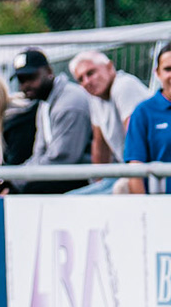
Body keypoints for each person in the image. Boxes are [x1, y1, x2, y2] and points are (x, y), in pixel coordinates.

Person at [7, 48, 93, 193]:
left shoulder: (69, 102)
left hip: (85, 175)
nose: (25, 85)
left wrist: (15, 179)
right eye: (21, 80)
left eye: (31, 77)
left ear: (49, 71)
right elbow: (39, 154)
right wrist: (12, 177)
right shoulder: (44, 102)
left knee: (30, 189)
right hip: (64, 172)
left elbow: (61, 159)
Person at [69, 50, 151, 193]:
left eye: (91, 73)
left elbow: (137, 142)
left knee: (76, 204)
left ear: (109, 67)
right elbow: (99, 143)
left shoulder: (123, 86)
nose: (87, 82)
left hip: (146, 171)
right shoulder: (96, 97)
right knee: (70, 200)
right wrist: (99, 181)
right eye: (80, 79)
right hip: (128, 170)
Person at [122, 43, 171, 194]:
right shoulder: (143, 112)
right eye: (168, 69)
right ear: (157, 73)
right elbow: (135, 169)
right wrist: (144, 211)